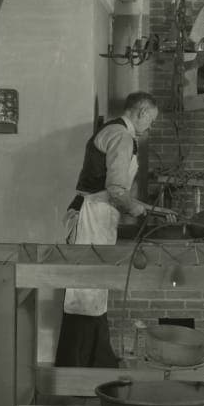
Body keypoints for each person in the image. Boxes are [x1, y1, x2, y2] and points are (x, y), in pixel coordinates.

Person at [55, 92, 161, 367]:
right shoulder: (122, 137)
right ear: (141, 112)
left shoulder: (114, 131)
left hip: (97, 212)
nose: (151, 125)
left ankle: (95, 361)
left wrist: (139, 204)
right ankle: (76, 367)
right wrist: (134, 208)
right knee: (85, 290)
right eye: (152, 119)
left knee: (93, 288)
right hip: (93, 214)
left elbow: (112, 188)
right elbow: (115, 189)